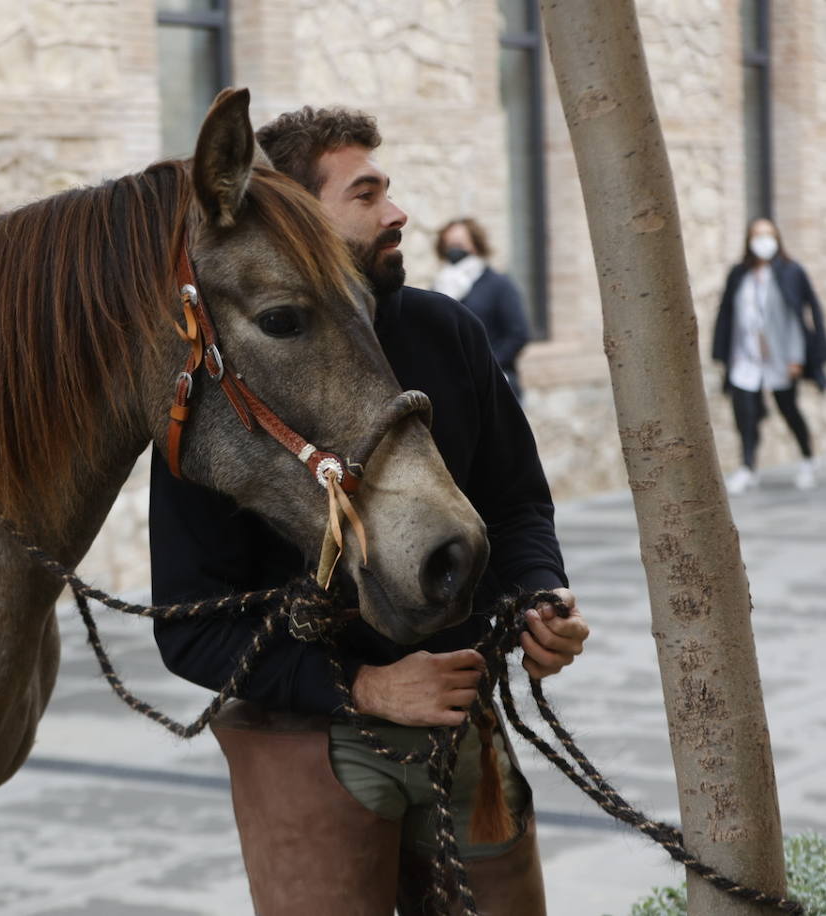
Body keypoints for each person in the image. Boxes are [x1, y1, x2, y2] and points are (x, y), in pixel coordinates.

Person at [149, 107, 589, 914]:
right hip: (309, 752)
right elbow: (189, 626)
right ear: (295, 214)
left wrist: (539, 596)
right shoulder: (224, 382)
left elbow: (518, 504)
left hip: (468, 740)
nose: (398, 213)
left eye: (387, 190)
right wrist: (364, 687)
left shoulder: (446, 331)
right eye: (366, 194)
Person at [712, 217, 826, 494]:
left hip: (781, 358)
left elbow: (799, 316)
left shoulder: (790, 271)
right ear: (749, 240)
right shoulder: (740, 274)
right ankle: (748, 467)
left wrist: (797, 357)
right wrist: (722, 354)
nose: (763, 241)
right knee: (745, 414)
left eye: (768, 235)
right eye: (757, 235)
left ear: (777, 238)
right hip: (745, 357)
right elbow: (727, 313)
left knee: (789, 410)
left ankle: (808, 460)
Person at [433, 217, 531, 399]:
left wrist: (486, 365)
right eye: (449, 244)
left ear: (475, 245)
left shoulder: (498, 284)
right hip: (451, 385)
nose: (454, 249)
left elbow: (518, 334)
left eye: (459, 243)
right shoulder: (439, 287)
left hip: (494, 380)